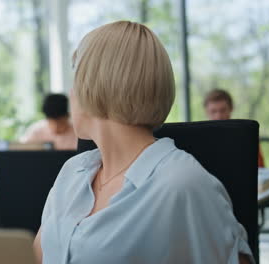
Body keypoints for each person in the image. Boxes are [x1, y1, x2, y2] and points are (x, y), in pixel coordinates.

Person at [34, 21, 253, 263]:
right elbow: (34, 255)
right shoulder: (73, 173)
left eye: (75, 77)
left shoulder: (182, 185)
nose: (71, 94)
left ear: (96, 84)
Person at [204, 89, 265, 167]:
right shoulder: (199, 138)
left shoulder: (247, 135)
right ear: (206, 112)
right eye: (213, 111)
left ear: (231, 109)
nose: (218, 116)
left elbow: (260, 167)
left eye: (223, 110)